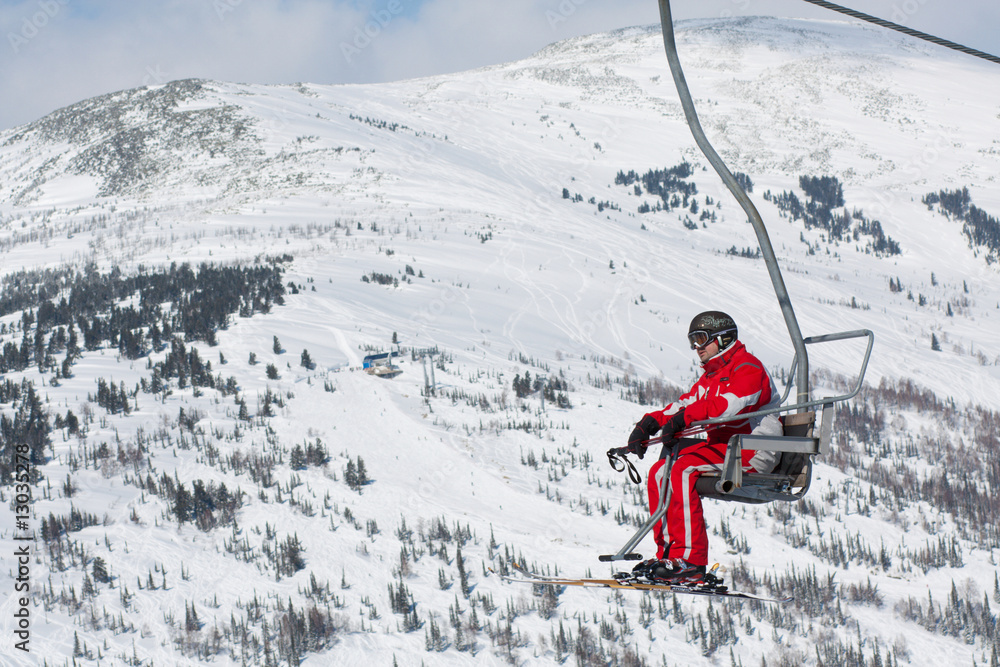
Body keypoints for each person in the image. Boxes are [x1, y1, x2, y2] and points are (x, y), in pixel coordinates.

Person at [625, 310, 781, 583]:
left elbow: (729, 406)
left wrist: (685, 418)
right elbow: (686, 403)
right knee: (660, 471)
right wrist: (650, 423)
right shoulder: (712, 376)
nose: (697, 348)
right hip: (728, 450)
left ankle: (691, 561)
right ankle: (669, 556)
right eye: (693, 341)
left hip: (754, 450)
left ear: (723, 339)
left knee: (682, 469)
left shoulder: (748, 369)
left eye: (701, 339)